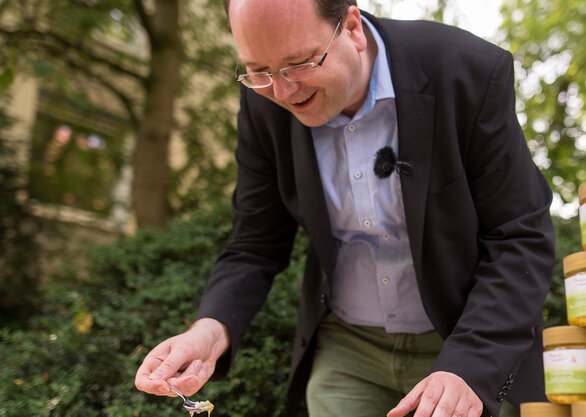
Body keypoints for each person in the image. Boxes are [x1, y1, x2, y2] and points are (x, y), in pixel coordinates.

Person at [134, 0, 556, 416]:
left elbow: (520, 235)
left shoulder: (467, 70)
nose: (282, 91)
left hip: (464, 337)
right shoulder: (264, 103)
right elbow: (255, 242)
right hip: (347, 353)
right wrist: (210, 329)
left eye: (299, 63)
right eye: (259, 71)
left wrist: (468, 368)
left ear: (351, 27)